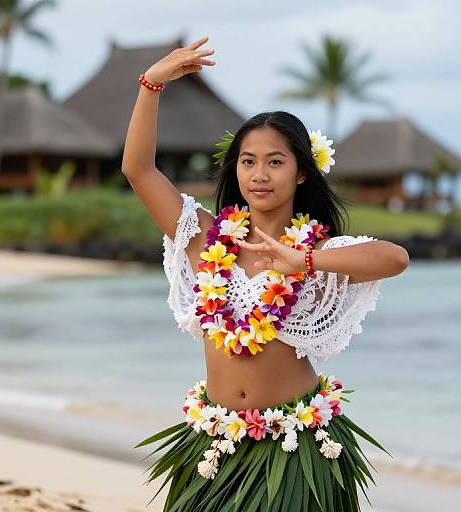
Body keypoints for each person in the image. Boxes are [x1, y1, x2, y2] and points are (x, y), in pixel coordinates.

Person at [123, 35, 409, 512]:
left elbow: (393, 258)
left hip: (294, 450)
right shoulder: (203, 238)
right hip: (215, 436)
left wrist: (306, 263)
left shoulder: (317, 252)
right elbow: (139, 171)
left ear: (301, 172)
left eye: (275, 162)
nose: (259, 174)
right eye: (248, 162)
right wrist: (151, 84)